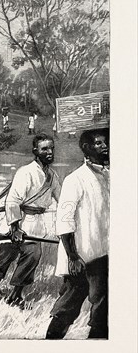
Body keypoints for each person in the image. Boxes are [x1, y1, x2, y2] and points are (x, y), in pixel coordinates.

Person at [0, 134, 61, 306]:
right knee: (4, 257)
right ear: (35, 151)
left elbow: (61, 199)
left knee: (32, 256)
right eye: (44, 149)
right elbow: (12, 200)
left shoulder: (52, 176)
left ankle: (16, 294)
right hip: (18, 221)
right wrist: (15, 228)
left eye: (51, 148)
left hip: (35, 223)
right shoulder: (25, 172)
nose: (49, 152)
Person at [46, 128, 109, 339]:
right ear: (86, 148)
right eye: (98, 143)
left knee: (102, 304)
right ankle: (50, 343)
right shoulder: (76, 179)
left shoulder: (110, 176)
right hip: (81, 255)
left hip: (103, 252)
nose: (105, 146)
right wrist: (72, 256)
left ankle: (97, 345)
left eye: (105, 142)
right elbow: (64, 220)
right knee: (69, 304)